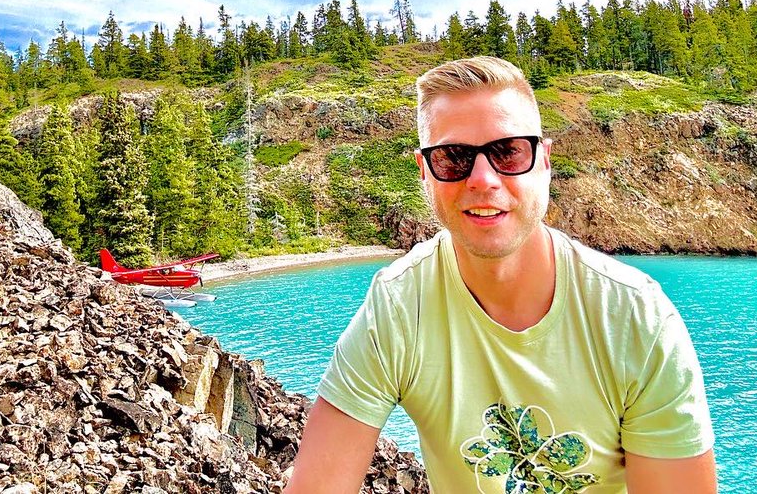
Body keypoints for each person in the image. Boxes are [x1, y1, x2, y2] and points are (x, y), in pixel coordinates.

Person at [284, 56, 716, 494]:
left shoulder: (635, 318)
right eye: (454, 158)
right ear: (425, 173)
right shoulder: (399, 308)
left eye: (508, 151)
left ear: (544, 161)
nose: (483, 178)